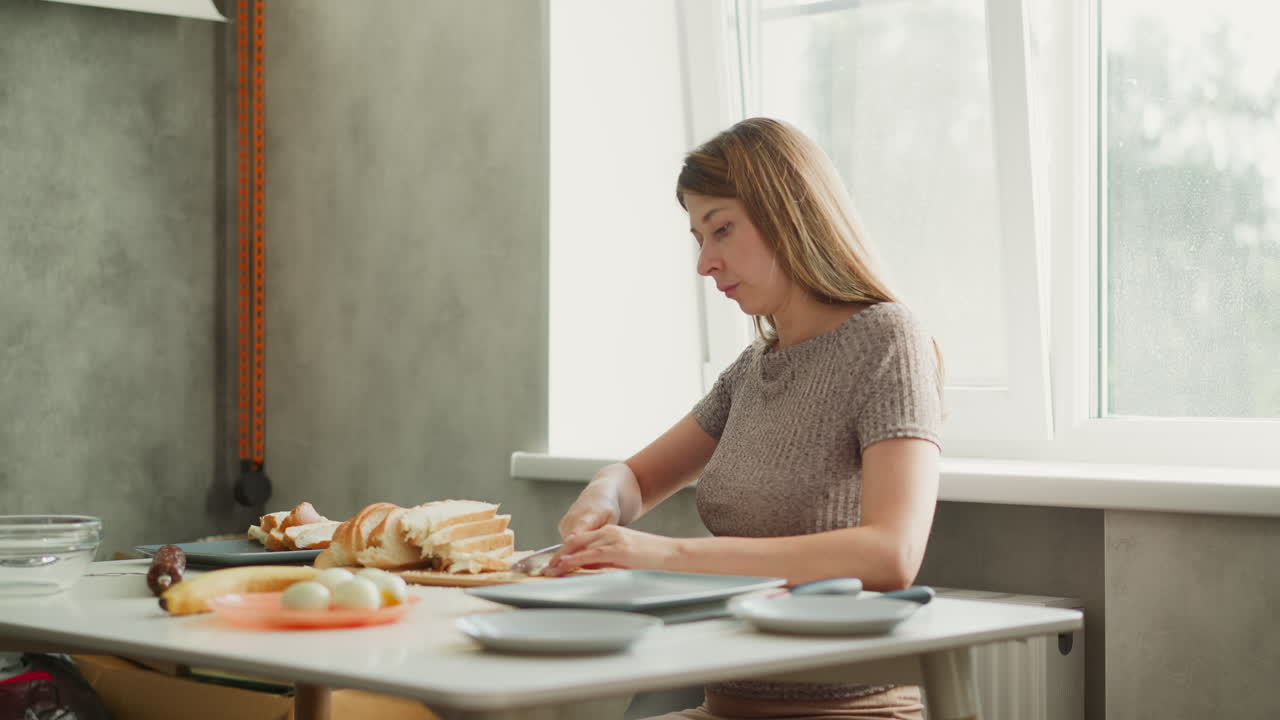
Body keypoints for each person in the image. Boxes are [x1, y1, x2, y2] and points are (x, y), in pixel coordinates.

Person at [543, 117, 944, 720]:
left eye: (722, 229)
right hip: (728, 707)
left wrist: (663, 556)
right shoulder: (755, 366)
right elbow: (638, 478)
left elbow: (890, 555)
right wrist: (601, 500)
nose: (705, 263)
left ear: (790, 212)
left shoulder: (887, 338)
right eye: (698, 238)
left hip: (854, 711)